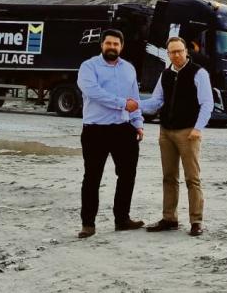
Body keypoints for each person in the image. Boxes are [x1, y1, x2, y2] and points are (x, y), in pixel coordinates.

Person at [141, 36, 214, 236]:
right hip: (166, 132)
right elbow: (156, 102)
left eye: (180, 51)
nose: (177, 55)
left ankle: (196, 221)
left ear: (186, 51)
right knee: (169, 177)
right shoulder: (165, 74)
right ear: (168, 54)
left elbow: (207, 103)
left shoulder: (198, 73)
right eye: (172, 52)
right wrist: (134, 104)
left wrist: (198, 128)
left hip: (188, 132)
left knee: (192, 179)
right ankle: (169, 218)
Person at [76, 29, 145, 238]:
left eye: (116, 44)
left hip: (124, 130)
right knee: (92, 177)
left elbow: (135, 99)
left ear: (122, 47)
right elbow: (93, 92)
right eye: (108, 43)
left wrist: (138, 122)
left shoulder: (129, 69)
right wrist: (122, 104)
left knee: (127, 176)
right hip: (95, 130)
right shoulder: (89, 67)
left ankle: (122, 219)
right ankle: (88, 224)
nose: (112, 47)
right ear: (102, 45)